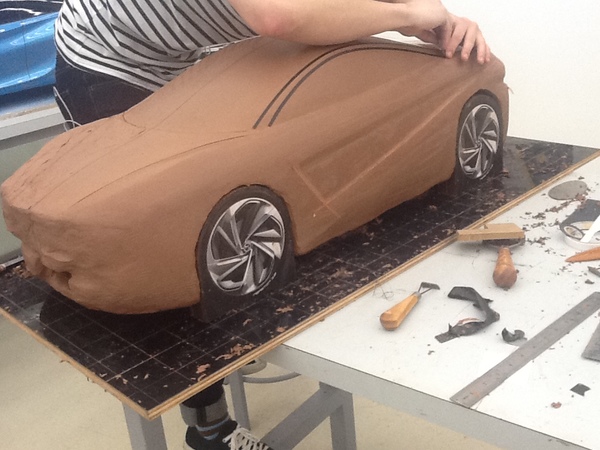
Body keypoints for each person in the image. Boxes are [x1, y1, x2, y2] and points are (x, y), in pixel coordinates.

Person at [52, 1, 490, 449]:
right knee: (162, 237)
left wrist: (437, 20)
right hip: (112, 59)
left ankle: (231, 326)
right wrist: (412, 17)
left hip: (191, 56)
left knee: (212, 200)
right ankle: (211, 430)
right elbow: (278, 17)